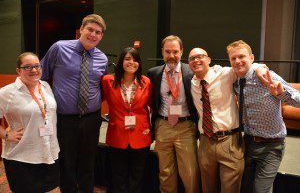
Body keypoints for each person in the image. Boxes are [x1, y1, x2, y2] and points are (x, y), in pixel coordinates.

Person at [41, 14, 108, 193]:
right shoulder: (59, 48)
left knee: (88, 163)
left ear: (102, 36)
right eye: (90, 30)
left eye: (98, 32)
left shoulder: (103, 58)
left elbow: (101, 87)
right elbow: (42, 76)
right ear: (81, 29)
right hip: (65, 119)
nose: (93, 34)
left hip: (92, 119)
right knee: (67, 163)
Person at [188, 47, 266, 193]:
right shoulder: (192, 82)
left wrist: (258, 66)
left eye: (200, 56)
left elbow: (245, 67)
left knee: (230, 189)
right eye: (192, 58)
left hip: (229, 142)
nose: (196, 60)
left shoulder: (225, 73)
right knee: (207, 188)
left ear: (209, 60)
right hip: (205, 142)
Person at [227, 40, 300, 193]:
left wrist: (280, 94)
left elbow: (297, 100)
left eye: (242, 57)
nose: (237, 61)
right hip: (247, 143)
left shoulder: (267, 76)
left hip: (271, 145)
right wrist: (257, 66)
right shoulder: (235, 80)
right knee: (244, 188)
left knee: (261, 190)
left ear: (252, 58)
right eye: (233, 58)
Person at [0, 52, 60, 193]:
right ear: (18, 70)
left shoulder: (45, 86)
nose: (34, 70)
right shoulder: (7, 93)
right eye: (27, 67)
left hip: (48, 151)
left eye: (36, 66)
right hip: (22, 156)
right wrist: (6, 135)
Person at [147, 35, 200, 193]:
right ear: (162, 52)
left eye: (175, 52)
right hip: (163, 126)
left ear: (182, 52)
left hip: (185, 127)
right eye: (168, 51)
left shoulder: (191, 72)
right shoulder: (153, 73)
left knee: (190, 172)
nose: (171, 56)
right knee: (165, 172)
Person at [102, 47, 152, 193]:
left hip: (141, 135)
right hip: (117, 134)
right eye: (128, 59)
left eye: (135, 59)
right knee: (118, 175)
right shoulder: (108, 81)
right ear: (121, 61)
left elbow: (151, 105)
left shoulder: (146, 82)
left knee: (137, 175)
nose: (132, 62)